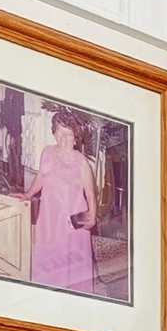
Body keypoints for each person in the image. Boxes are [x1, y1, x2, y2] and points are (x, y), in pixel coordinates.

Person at [28, 107, 103, 291]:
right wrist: (28, 194)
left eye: (68, 134)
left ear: (75, 137)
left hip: (72, 217)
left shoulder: (81, 161)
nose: (64, 139)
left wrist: (92, 217)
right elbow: (41, 177)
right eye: (60, 133)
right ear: (54, 133)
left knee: (71, 258)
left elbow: (90, 193)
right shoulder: (47, 152)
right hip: (49, 215)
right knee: (49, 252)